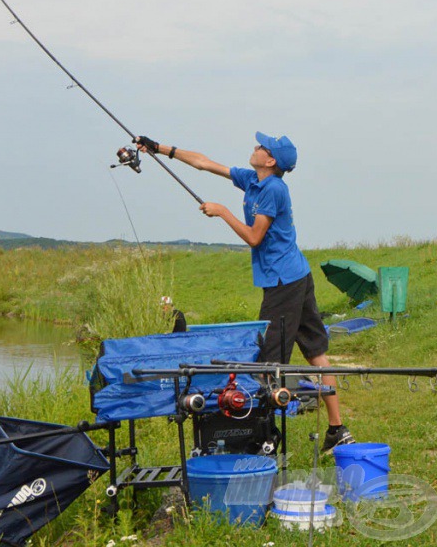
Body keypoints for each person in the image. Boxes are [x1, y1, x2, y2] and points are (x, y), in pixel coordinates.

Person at [136, 131, 354, 452]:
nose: (255, 147)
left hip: (284, 283)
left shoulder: (273, 189)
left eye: (261, 147)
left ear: (271, 160)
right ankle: (337, 429)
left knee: (268, 365)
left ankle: (262, 438)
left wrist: (223, 212)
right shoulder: (253, 179)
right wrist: (160, 149)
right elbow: (204, 163)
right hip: (295, 274)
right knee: (315, 353)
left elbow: (254, 237)